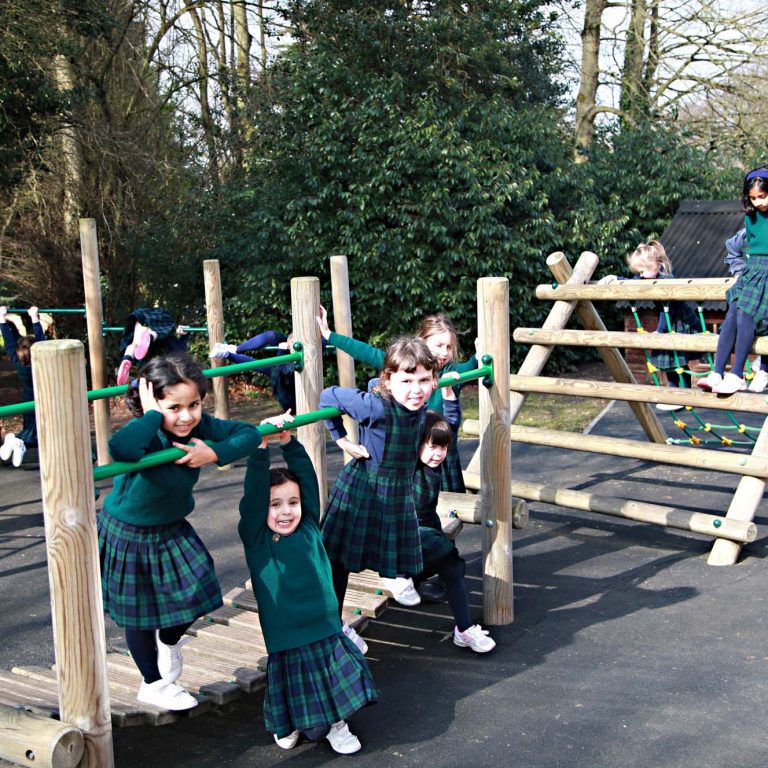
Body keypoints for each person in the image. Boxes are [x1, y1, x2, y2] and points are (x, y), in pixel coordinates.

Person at [98, 353, 259, 710]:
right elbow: (120, 448)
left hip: (171, 527)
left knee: (199, 590)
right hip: (129, 531)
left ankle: (168, 642)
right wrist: (154, 413)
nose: (186, 416)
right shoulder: (148, 431)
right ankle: (152, 683)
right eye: (174, 407)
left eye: (194, 404)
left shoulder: (199, 428)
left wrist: (213, 453)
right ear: (152, 402)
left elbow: (248, 433)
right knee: (139, 615)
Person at [238, 412, 377, 754]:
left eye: (292, 503)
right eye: (275, 505)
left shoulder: (309, 526)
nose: (286, 511)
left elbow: (308, 482)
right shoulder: (258, 539)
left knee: (331, 690)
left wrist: (288, 441)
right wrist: (260, 449)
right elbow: (254, 497)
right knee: (304, 720)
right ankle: (287, 723)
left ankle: (337, 723)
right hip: (287, 637)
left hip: (325, 628)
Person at [319, 337, 439, 617]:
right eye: (407, 382)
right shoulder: (373, 407)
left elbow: (398, 385)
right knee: (340, 557)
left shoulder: (419, 405)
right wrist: (342, 441)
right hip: (363, 489)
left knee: (390, 542)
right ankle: (333, 622)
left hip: (396, 491)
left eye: (423, 380)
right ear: (389, 382)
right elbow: (328, 396)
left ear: (433, 380)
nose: (416, 390)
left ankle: (395, 575)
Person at [317, 307, 475, 493]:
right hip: (410, 452)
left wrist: (481, 354)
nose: (444, 352)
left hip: (437, 450)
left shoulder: (450, 373)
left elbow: (475, 364)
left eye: (448, 347)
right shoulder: (401, 365)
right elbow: (366, 352)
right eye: (438, 345)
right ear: (421, 343)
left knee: (443, 505)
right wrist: (330, 335)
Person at [413, 403, 496, 653]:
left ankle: (464, 629)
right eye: (432, 447)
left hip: (424, 543)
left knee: (453, 568)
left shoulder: (436, 468)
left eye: (443, 447)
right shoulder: (406, 467)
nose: (438, 453)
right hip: (400, 546)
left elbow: (451, 426)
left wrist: (450, 399)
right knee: (450, 558)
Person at [600, 240, 698, 410]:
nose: (642, 275)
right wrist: (616, 278)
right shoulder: (648, 277)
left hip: (679, 322)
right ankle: (676, 395)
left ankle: (682, 396)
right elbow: (634, 282)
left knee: (675, 359)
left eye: (644, 270)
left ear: (657, 265)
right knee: (667, 359)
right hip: (669, 322)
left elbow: (668, 310)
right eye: (640, 271)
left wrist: (659, 331)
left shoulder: (667, 281)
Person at [699, 167, 768, 394]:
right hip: (752, 269)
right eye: (753, 198)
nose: (758, 202)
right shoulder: (752, 216)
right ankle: (718, 371)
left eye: (762, 196)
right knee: (732, 312)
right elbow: (737, 246)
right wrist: (740, 271)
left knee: (744, 312)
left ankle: (737, 374)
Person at [210, 329, 323, 414]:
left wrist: (282, 350)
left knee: (265, 368)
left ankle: (228, 353)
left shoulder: (296, 361)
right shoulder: (297, 341)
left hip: (288, 393)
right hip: (286, 364)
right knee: (271, 336)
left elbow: (283, 370)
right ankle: (233, 350)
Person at [723, 226, 768, 393]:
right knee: (741, 313)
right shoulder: (752, 229)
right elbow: (732, 246)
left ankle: (764, 368)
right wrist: (741, 272)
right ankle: (737, 372)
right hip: (755, 279)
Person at [0, 305, 46, 466]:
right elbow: (42, 342)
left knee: (30, 428)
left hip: (27, 397)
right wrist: (35, 318)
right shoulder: (39, 363)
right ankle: (20, 444)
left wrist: (2, 319)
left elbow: (9, 343)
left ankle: (15, 440)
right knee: (40, 433)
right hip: (42, 396)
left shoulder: (17, 361)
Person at [116, 308, 190, 385]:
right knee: (164, 332)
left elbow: (181, 349)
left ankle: (127, 357)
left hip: (145, 320)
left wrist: (185, 331)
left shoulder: (147, 375)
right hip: (160, 333)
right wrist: (185, 331)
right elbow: (181, 349)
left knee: (134, 344)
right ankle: (151, 336)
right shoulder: (159, 375)